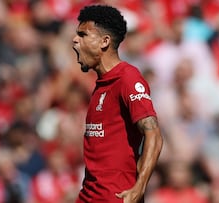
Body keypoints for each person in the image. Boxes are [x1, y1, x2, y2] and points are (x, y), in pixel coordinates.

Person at [72, 4, 163, 203]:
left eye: (83, 35)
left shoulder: (128, 78)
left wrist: (139, 187)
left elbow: (154, 135)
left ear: (104, 41)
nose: (75, 40)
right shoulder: (101, 86)